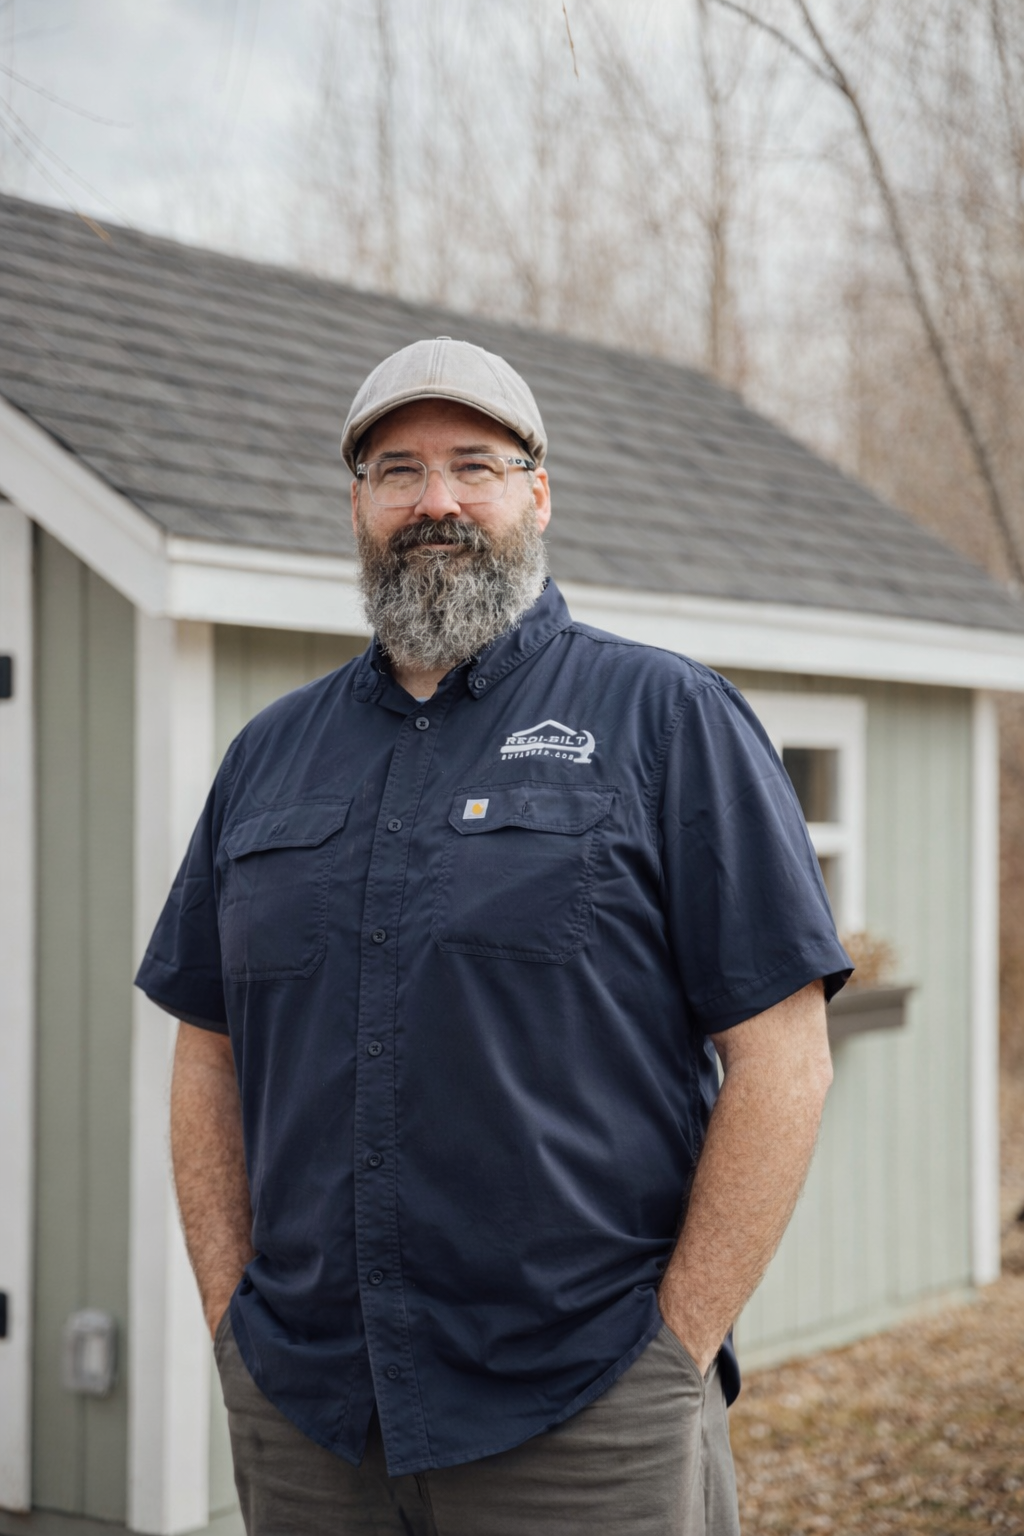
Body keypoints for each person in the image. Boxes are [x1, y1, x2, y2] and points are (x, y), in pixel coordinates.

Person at [136, 337, 851, 1536]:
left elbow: (784, 1055)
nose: (437, 501)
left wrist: (674, 1348)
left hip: (582, 1411)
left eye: (476, 463)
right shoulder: (268, 757)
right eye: (396, 469)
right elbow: (207, 1046)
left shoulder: (666, 719)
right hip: (311, 1414)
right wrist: (230, 1318)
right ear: (358, 504)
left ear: (537, 493)